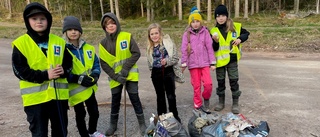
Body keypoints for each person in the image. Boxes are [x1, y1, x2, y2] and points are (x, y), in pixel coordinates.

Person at [11, 2, 72, 137]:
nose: (39, 22)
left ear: (48, 21)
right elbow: (19, 71)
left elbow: (69, 63)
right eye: (34, 19)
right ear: (27, 21)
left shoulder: (59, 42)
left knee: (61, 132)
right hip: (35, 100)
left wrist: (64, 71)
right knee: (39, 133)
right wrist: (45, 75)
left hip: (58, 98)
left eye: (42, 19)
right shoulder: (21, 44)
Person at [99, 12, 147, 136]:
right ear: (104, 27)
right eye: (107, 24)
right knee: (115, 101)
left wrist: (125, 69)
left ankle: (142, 123)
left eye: (113, 23)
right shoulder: (103, 44)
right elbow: (104, 63)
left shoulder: (126, 36)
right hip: (115, 78)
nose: (111, 26)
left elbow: (136, 53)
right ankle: (113, 125)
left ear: (117, 24)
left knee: (135, 99)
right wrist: (116, 77)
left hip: (130, 75)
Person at [62, 16, 104, 137]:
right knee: (80, 114)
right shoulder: (64, 49)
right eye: (69, 29)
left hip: (89, 88)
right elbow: (63, 71)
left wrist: (95, 75)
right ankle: (84, 134)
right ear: (65, 32)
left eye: (75, 29)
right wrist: (77, 79)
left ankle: (92, 131)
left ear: (80, 31)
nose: (73, 32)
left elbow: (96, 63)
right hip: (75, 90)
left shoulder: (89, 48)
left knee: (94, 112)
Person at [210, 5, 250, 114]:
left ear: (227, 16)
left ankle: (235, 103)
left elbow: (246, 33)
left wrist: (240, 39)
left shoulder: (236, 26)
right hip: (220, 62)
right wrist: (215, 42)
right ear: (216, 18)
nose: (221, 18)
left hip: (232, 60)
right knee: (221, 82)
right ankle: (221, 102)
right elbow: (214, 48)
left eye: (223, 15)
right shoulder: (213, 31)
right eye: (218, 16)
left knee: (234, 81)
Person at [180, 7, 216, 114]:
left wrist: (212, 62)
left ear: (200, 22)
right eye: (193, 22)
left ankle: (206, 98)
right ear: (190, 23)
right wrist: (183, 63)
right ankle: (197, 104)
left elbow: (210, 48)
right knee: (196, 86)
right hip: (193, 64)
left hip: (205, 63)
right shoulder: (187, 34)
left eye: (197, 21)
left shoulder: (205, 32)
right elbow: (184, 49)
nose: (195, 24)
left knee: (208, 84)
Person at [146, 23, 184, 123]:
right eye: (152, 34)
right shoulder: (149, 47)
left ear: (160, 33)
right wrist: (153, 72)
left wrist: (167, 61)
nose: (154, 36)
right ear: (149, 36)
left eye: (156, 33)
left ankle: (174, 117)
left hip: (168, 72)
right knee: (160, 97)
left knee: (171, 96)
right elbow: (149, 62)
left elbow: (175, 58)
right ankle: (162, 118)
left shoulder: (168, 43)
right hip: (155, 73)